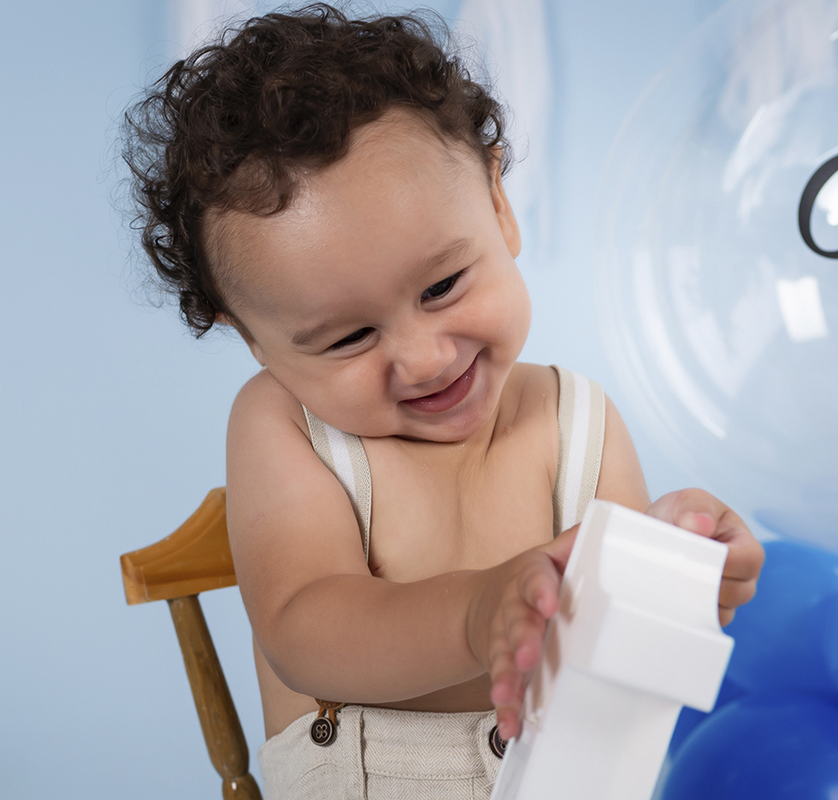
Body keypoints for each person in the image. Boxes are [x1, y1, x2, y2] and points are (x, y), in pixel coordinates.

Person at [122, 5, 764, 798]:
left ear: (499, 204)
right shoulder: (285, 424)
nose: (424, 358)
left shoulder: (579, 424)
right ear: (255, 340)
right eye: (349, 337)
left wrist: (683, 574)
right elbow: (302, 628)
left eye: (443, 286)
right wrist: (476, 613)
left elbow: (619, 649)